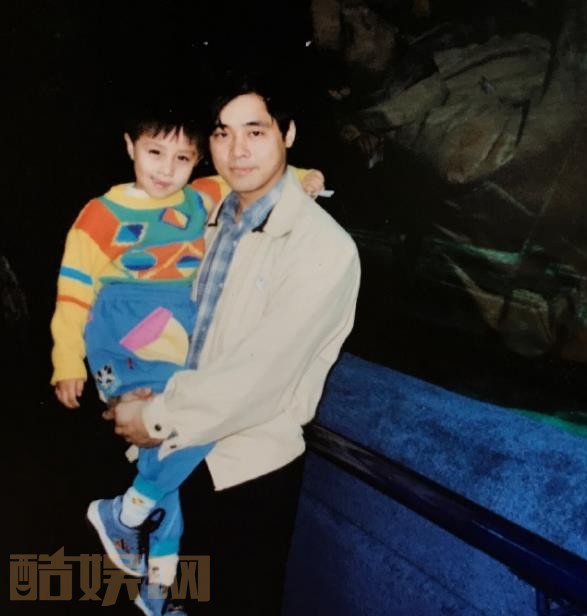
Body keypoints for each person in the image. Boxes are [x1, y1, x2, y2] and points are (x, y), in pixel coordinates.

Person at [49, 97, 327, 614]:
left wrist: (305, 176)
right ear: (130, 147)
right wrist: (66, 362)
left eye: (182, 158)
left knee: (169, 459)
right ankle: (125, 513)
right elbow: (72, 294)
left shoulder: (201, 197)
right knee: (184, 434)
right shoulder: (99, 215)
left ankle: (155, 589)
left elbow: (258, 177)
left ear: (197, 160)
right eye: (154, 152)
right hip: (123, 329)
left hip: (176, 325)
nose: (166, 169)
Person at [107, 75, 361, 614]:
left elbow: (260, 375)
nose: (237, 150)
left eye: (255, 131)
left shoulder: (323, 247)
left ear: (288, 134)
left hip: (243, 471)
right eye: (222, 133)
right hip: (173, 453)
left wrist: (153, 417)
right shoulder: (207, 215)